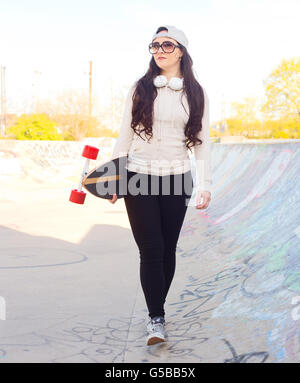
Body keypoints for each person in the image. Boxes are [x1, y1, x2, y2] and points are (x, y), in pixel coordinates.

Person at [109, 25, 212, 346]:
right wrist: (114, 175)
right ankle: (156, 319)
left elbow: (202, 141)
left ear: (181, 50)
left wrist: (205, 183)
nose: (159, 50)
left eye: (167, 44)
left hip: (178, 177)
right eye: (154, 46)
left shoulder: (196, 92)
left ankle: (158, 308)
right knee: (150, 250)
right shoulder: (140, 88)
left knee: (167, 250)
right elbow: (124, 134)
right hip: (138, 176)